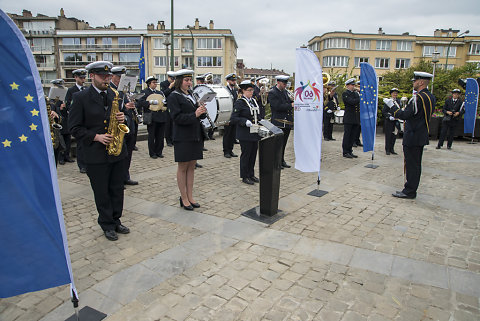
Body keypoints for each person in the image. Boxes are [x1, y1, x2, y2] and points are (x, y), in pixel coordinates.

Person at [68, 61, 131, 241]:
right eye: (103, 76)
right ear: (92, 76)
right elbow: (74, 128)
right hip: (96, 153)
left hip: (117, 151)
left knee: (117, 189)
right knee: (102, 191)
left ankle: (116, 219)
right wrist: (96, 137)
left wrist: (123, 118)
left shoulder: (114, 95)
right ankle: (106, 223)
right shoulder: (81, 98)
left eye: (108, 76)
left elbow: (122, 118)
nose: (106, 79)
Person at [389, 71, 436, 199]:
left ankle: (409, 190)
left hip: (413, 135)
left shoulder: (418, 98)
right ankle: (411, 189)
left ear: (421, 82)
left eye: (415, 81)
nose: (413, 83)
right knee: (415, 164)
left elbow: (405, 115)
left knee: (411, 165)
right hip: (421, 134)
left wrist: (392, 107)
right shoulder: (431, 96)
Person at [167, 69, 207, 210]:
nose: (189, 83)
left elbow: (197, 116)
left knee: (192, 166)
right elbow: (176, 118)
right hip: (182, 136)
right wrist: (195, 114)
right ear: (179, 81)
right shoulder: (174, 96)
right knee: (183, 166)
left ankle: (190, 196)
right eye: (186, 80)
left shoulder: (191, 94)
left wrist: (202, 112)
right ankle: (183, 198)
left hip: (195, 134)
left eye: (190, 80)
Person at [110, 66, 138, 186]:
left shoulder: (124, 90)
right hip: (116, 127)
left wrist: (130, 105)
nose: (120, 80)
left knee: (128, 153)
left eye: (123, 77)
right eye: (118, 77)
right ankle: (118, 179)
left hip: (128, 124)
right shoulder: (109, 89)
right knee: (119, 155)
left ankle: (125, 176)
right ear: (113, 77)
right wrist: (124, 107)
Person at [230, 80, 261, 185]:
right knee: (246, 155)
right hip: (245, 133)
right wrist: (244, 121)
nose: (251, 92)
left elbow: (258, 115)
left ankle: (251, 174)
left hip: (254, 132)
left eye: (252, 90)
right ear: (243, 91)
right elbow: (234, 118)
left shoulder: (253, 101)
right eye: (249, 90)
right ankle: (244, 176)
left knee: (253, 154)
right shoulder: (240, 102)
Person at [138, 76, 168, 159]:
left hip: (161, 116)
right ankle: (152, 153)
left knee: (160, 136)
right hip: (151, 117)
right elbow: (140, 102)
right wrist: (150, 102)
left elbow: (165, 102)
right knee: (152, 136)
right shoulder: (144, 92)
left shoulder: (160, 92)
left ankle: (159, 151)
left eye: (156, 82)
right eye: (153, 82)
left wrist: (165, 103)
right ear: (149, 84)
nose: (155, 84)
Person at [268, 75, 293, 168]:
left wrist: (291, 101)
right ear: (278, 82)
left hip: (286, 121)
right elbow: (277, 106)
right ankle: (276, 162)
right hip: (278, 121)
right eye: (283, 83)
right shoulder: (273, 92)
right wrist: (291, 105)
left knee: (284, 143)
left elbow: (286, 103)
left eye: (286, 83)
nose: (285, 85)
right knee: (278, 144)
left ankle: (281, 160)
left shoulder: (285, 92)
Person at [65, 69, 87, 173]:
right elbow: (68, 104)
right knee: (80, 145)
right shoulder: (71, 90)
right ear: (76, 78)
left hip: (87, 120)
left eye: (84, 78)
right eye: (81, 78)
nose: (83, 80)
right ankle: (81, 165)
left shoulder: (86, 89)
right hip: (79, 119)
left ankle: (87, 162)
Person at [342, 78, 360, 158]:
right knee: (347, 135)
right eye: (352, 85)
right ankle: (345, 151)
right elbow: (351, 102)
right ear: (347, 86)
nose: (353, 86)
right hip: (349, 118)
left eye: (354, 85)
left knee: (352, 136)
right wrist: (360, 97)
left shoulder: (356, 94)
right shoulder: (345, 93)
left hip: (355, 118)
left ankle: (350, 150)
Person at [223, 73, 239, 158]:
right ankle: (226, 151)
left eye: (234, 80)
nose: (234, 82)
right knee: (227, 134)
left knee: (233, 134)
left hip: (234, 115)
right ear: (228, 81)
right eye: (232, 80)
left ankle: (231, 150)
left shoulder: (235, 90)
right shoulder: (225, 90)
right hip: (228, 114)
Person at [383, 88, 401, 155]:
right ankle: (387, 149)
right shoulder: (388, 101)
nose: (395, 94)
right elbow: (384, 111)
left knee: (394, 135)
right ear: (391, 94)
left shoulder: (398, 102)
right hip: (389, 121)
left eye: (396, 93)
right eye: (394, 93)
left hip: (396, 120)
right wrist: (389, 116)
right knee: (388, 135)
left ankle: (392, 149)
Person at [160, 71, 176, 147]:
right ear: (168, 77)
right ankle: (168, 140)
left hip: (173, 105)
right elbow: (163, 94)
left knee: (173, 124)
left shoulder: (175, 85)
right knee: (168, 124)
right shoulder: (163, 84)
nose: (173, 80)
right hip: (166, 106)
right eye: (172, 79)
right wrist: (170, 87)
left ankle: (173, 139)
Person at [353, 80, 363, 148]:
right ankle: (353, 141)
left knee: (359, 127)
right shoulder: (354, 93)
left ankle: (357, 140)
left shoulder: (361, 93)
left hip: (360, 112)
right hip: (355, 113)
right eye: (359, 86)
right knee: (355, 128)